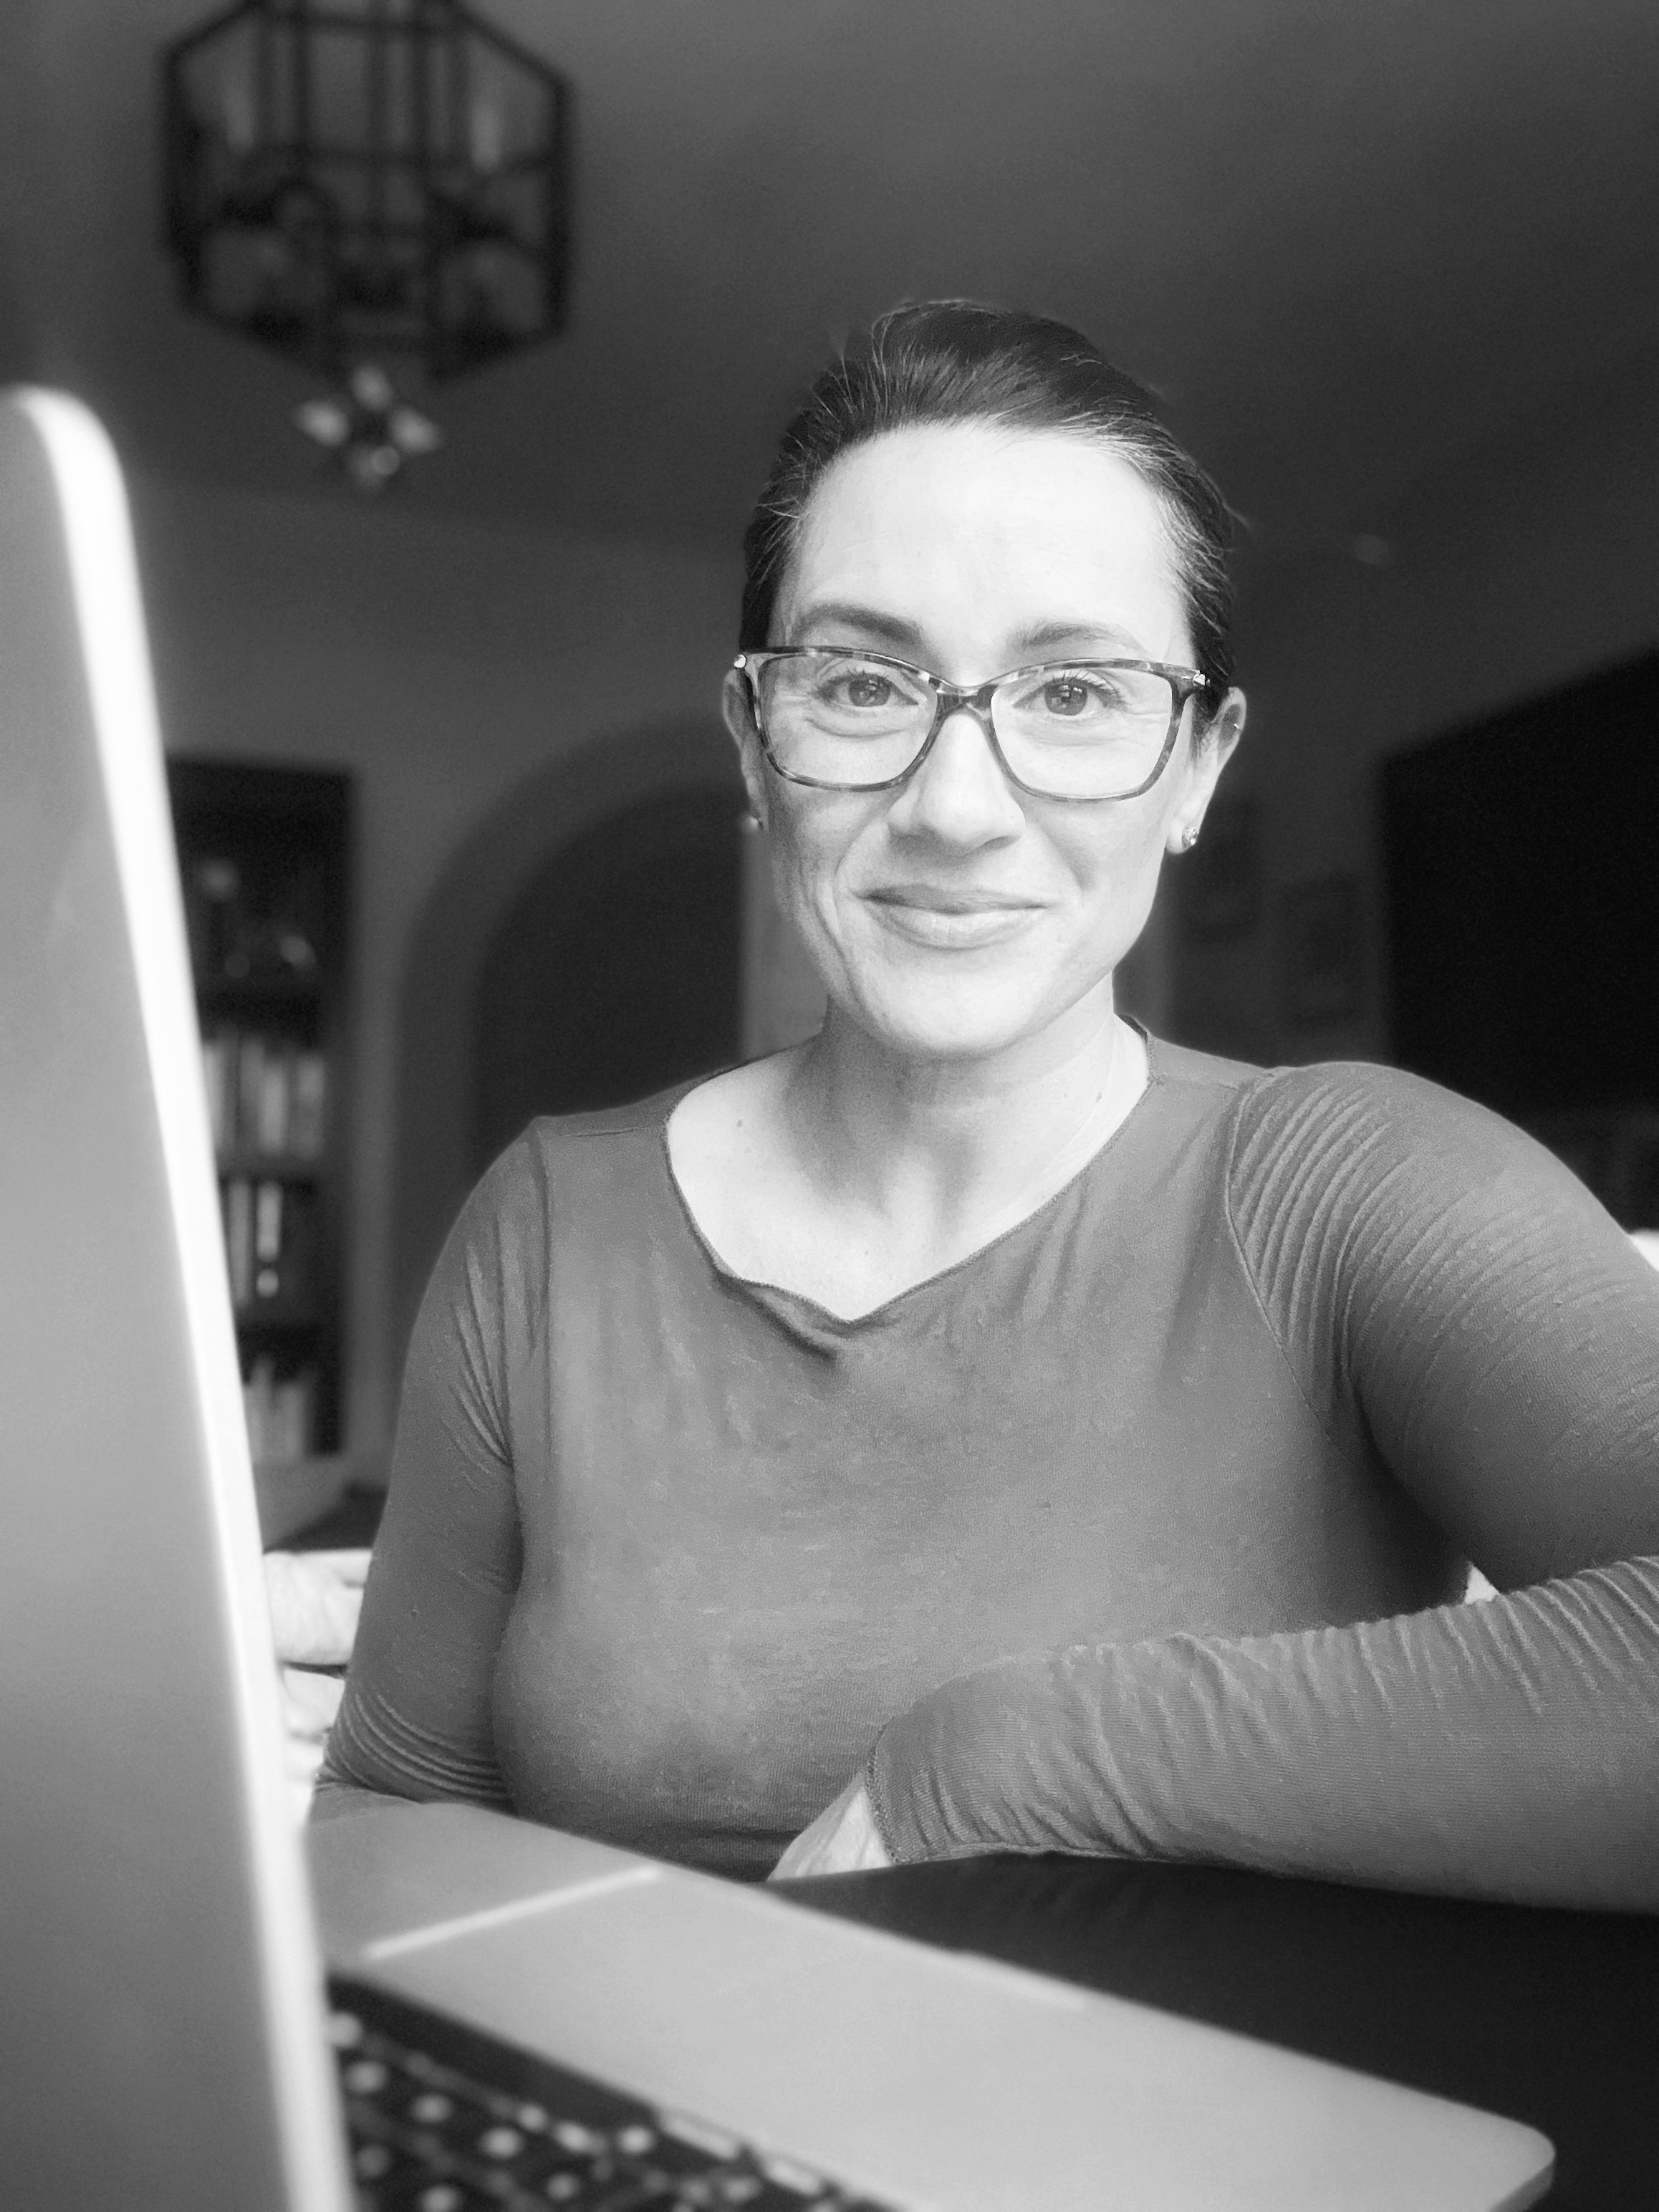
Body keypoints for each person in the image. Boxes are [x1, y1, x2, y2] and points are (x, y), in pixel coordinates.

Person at [318, 302, 1659, 1906]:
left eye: (1076, 693)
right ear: (756, 745)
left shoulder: (1358, 1184)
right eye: (861, 683)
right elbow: (391, 1824)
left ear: (1198, 766)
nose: (956, 806)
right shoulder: (547, 1225)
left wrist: (1007, 1764)